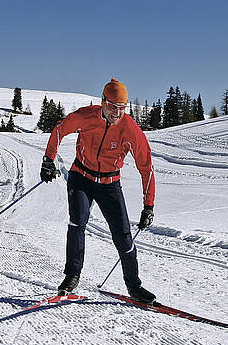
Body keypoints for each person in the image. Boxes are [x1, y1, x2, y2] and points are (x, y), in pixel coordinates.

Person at [40, 78, 156, 303]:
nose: (117, 112)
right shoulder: (86, 116)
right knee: (78, 221)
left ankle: (134, 286)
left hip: (109, 184)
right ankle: (72, 276)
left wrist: (148, 205)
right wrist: (48, 160)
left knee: (123, 236)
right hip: (81, 177)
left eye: (122, 108)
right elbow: (59, 130)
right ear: (103, 101)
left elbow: (146, 166)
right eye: (113, 106)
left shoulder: (130, 129)